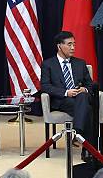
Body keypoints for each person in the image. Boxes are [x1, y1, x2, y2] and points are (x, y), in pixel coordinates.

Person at [40, 30, 95, 162]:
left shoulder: (80, 63)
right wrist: (66, 92)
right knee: (88, 109)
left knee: (83, 98)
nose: (73, 48)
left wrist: (84, 89)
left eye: (74, 44)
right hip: (62, 100)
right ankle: (86, 148)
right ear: (59, 46)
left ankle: (77, 131)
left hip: (80, 98)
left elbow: (91, 84)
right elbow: (45, 86)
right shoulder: (48, 64)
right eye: (69, 44)